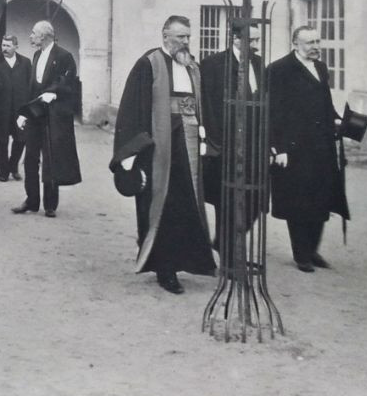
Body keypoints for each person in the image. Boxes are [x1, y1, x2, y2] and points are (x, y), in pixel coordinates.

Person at [110, 16, 217, 294]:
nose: (185, 42)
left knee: (187, 207)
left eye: (188, 37)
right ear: (165, 36)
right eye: (180, 36)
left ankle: (185, 261)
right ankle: (164, 269)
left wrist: (204, 134)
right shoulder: (149, 64)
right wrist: (131, 152)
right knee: (163, 208)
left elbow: (199, 105)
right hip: (159, 149)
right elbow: (133, 108)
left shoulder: (192, 67)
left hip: (189, 146)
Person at [266, 25, 349, 273]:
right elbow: (273, 112)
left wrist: (337, 120)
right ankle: (301, 254)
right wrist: (277, 148)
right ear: (295, 44)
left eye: (317, 41)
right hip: (294, 147)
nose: (315, 47)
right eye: (309, 43)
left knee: (321, 197)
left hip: (321, 145)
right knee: (298, 200)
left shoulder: (321, 68)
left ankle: (313, 250)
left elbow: (325, 102)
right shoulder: (279, 70)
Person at [199, 29, 266, 251]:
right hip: (226, 144)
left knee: (256, 199)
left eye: (257, 39)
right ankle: (227, 252)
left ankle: (222, 242)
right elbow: (207, 105)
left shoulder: (258, 63)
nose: (256, 44)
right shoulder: (214, 64)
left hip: (253, 146)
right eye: (252, 39)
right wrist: (215, 141)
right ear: (236, 39)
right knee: (225, 200)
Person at [11, 21, 81, 218]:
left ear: (44, 36)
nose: (31, 36)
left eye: (34, 33)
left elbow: (67, 84)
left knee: (51, 158)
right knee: (31, 158)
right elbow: (33, 87)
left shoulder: (64, 56)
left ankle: (50, 204)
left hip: (54, 115)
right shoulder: (37, 55)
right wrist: (24, 113)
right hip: (36, 115)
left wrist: (55, 94)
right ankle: (31, 200)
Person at [0, 33, 32, 182]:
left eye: (8, 45)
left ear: (16, 46)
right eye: (3, 45)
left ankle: (13, 166)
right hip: (1, 109)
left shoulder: (25, 63)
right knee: (2, 141)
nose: (4, 48)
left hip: (20, 109)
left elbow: (30, 85)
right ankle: (3, 172)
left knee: (21, 139)